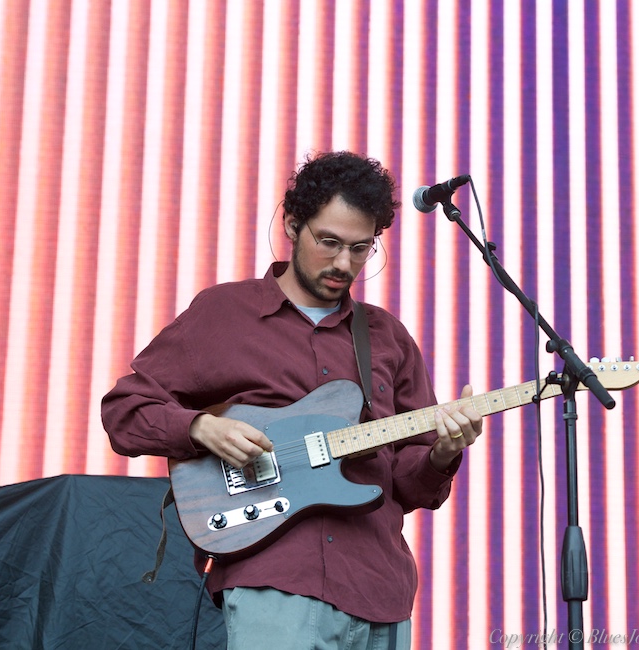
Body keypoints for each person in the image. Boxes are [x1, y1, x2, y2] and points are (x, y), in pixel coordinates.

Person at [101, 150, 483, 649]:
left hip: (380, 587)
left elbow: (412, 487)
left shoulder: (388, 337)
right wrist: (199, 428)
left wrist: (443, 452)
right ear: (293, 223)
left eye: (361, 248)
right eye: (329, 242)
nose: (344, 263)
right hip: (275, 579)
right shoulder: (222, 312)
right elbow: (124, 412)